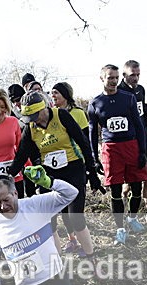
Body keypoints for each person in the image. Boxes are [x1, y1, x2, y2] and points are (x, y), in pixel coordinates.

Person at [6, 90, 102, 263]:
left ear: (44, 107)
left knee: (76, 217)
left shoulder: (61, 116)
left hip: (73, 170)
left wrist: (92, 172)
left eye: (36, 115)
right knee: (48, 220)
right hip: (49, 176)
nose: (34, 120)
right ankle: (56, 263)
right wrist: (8, 177)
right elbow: (21, 155)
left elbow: (83, 142)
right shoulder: (31, 128)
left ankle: (91, 257)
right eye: (30, 117)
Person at [87, 64, 147, 244]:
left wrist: (142, 151)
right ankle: (120, 229)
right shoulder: (95, 103)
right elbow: (92, 131)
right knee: (115, 190)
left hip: (131, 146)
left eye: (115, 78)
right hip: (111, 149)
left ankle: (132, 218)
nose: (113, 81)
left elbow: (139, 125)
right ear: (102, 79)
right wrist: (94, 157)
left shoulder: (128, 98)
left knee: (137, 186)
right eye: (110, 78)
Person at [50, 81, 104, 256]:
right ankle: (72, 240)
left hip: (77, 164)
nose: (53, 96)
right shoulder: (52, 115)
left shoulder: (78, 113)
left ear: (65, 94)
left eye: (56, 92)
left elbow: (85, 140)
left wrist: (90, 165)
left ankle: (85, 246)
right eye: (52, 93)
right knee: (64, 210)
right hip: (59, 167)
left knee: (75, 209)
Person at [118, 59, 147, 226]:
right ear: (124, 75)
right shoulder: (118, 91)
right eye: (132, 75)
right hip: (128, 142)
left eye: (138, 75)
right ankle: (124, 212)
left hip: (144, 140)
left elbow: (144, 116)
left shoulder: (141, 90)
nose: (135, 78)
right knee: (129, 182)